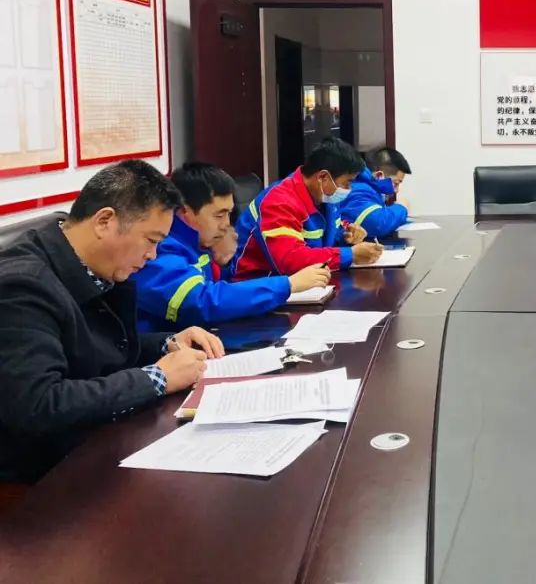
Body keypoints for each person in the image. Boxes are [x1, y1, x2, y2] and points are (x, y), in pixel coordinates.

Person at [0, 160, 224, 483]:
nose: (153, 255)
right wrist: (157, 378)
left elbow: (94, 345)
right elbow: (40, 404)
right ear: (104, 221)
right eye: (151, 240)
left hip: (94, 442)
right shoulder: (22, 286)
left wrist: (167, 343)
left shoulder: (89, 261)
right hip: (38, 477)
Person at [134, 162, 331, 331]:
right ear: (185, 211)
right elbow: (201, 303)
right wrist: (288, 285)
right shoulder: (160, 247)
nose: (226, 224)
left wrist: (223, 264)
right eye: (219, 215)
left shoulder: (200, 242)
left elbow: (224, 291)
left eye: (229, 214)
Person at [233, 137, 382, 279]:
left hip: (302, 282)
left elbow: (323, 242)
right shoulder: (280, 202)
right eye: (347, 183)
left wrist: (346, 237)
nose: (348, 189)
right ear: (323, 177)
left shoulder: (325, 197)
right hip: (258, 283)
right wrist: (350, 255)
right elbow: (290, 260)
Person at [339, 147, 412, 240]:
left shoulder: (368, 189)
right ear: (379, 175)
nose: (396, 190)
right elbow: (378, 224)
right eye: (396, 183)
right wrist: (402, 207)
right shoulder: (359, 190)